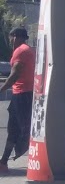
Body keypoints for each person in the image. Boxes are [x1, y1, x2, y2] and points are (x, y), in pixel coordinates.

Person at [0, 27, 34, 172]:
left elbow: (15, 74)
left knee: (19, 128)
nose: (11, 41)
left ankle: (20, 149)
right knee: (14, 128)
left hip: (22, 93)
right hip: (23, 93)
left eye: (11, 37)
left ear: (15, 37)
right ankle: (3, 161)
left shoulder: (21, 51)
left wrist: (1, 89)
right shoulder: (28, 50)